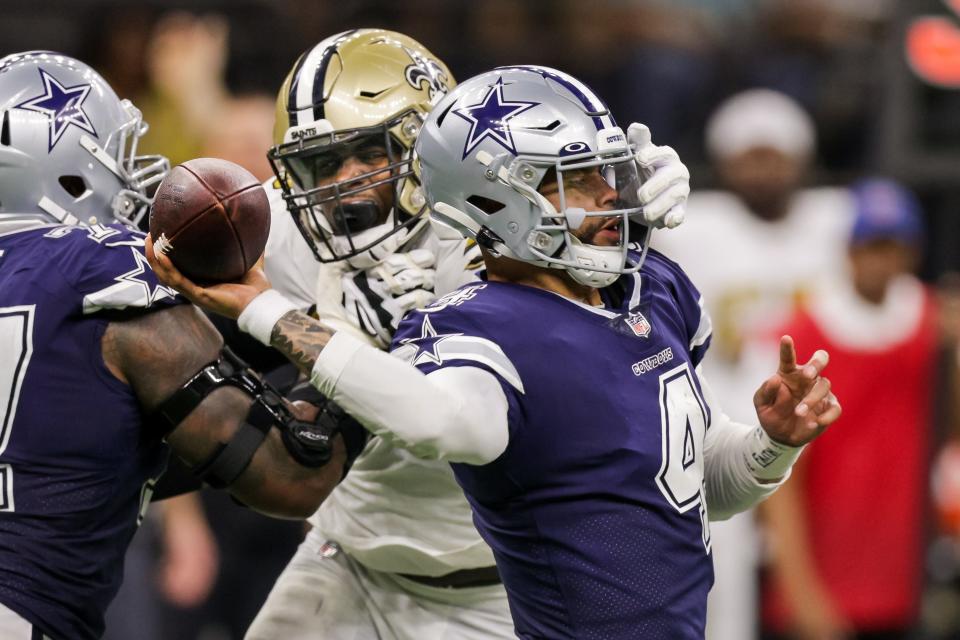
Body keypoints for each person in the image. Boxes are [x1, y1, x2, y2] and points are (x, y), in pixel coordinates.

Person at [148, 65, 841, 639]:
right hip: (354, 559)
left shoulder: (655, 290)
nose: (613, 197)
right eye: (582, 180)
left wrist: (771, 447)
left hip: (492, 599)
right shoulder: (483, 323)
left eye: (612, 173)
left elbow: (696, 482)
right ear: (495, 199)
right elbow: (439, 418)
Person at [241, 30, 692, 640]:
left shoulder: (506, 237)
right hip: (347, 559)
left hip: (497, 586)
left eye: (370, 154)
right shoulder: (284, 229)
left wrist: (628, 204)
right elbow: (156, 255)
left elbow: (611, 330)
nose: (344, 184)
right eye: (322, 164)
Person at [0, 51, 351, 640]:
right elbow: (293, 475)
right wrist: (357, 354)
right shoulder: (101, 265)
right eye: (116, 155)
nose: (132, 174)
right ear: (64, 172)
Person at [653, 88, 855, 640]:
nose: (763, 169)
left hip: (825, 425)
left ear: (801, 157)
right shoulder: (691, 227)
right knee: (722, 578)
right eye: (750, 155)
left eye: (775, 154)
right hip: (722, 422)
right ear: (724, 159)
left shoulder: (837, 219)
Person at [760, 178, 946, 640]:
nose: (881, 261)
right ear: (848, 250)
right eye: (871, 246)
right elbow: (780, 472)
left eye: (893, 247)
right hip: (823, 584)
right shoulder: (802, 335)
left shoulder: (931, 326)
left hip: (901, 581)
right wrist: (801, 590)